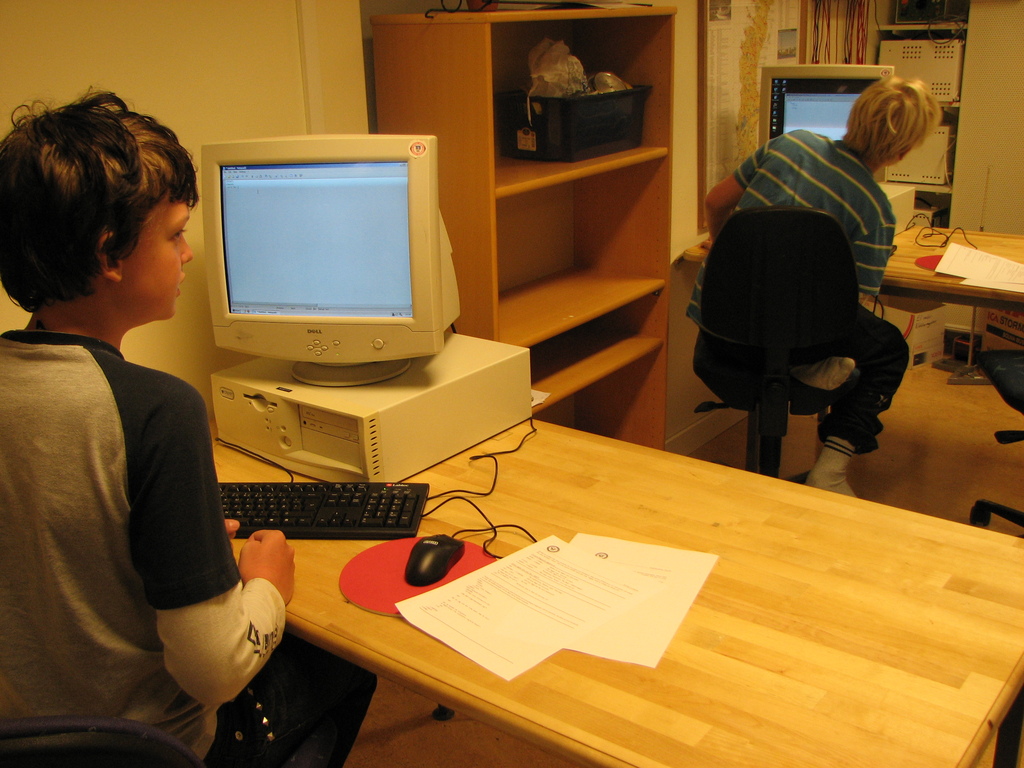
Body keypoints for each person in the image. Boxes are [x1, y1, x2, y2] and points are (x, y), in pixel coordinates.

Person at [0, 91, 375, 766]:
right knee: (349, 655)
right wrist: (267, 584)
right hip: (151, 748)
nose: (189, 254)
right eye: (174, 234)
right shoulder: (157, 412)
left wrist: (178, 545)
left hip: (27, 737)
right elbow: (216, 670)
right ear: (110, 254)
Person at [689, 76, 941, 496]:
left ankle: (802, 364)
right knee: (889, 351)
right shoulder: (875, 210)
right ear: (902, 152)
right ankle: (831, 469)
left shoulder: (788, 145)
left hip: (721, 332)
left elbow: (716, 201)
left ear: (853, 118)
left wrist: (721, 245)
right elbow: (855, 303)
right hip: (795, 341)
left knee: (786, 322)